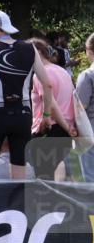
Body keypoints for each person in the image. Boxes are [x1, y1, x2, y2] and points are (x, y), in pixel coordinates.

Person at [0, 10, 59, 180]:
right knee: (19, 173)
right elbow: (48, 84)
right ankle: (17, 206)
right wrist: (45, 115)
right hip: (22, 116)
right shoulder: (30, 48)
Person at [29, 38, 78, 180]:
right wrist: (70, 128)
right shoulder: (64, 72)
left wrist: (66, 127)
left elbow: (51, 104)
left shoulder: (40, 74)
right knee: (60, 177)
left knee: (44, 180)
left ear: (38, 52)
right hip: (66, 131)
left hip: (48, 129)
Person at [76, 33, 94, 182]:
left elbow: (80, 108)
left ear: (89, 51)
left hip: (90, 131)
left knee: (90, 177)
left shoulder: (87, 76)